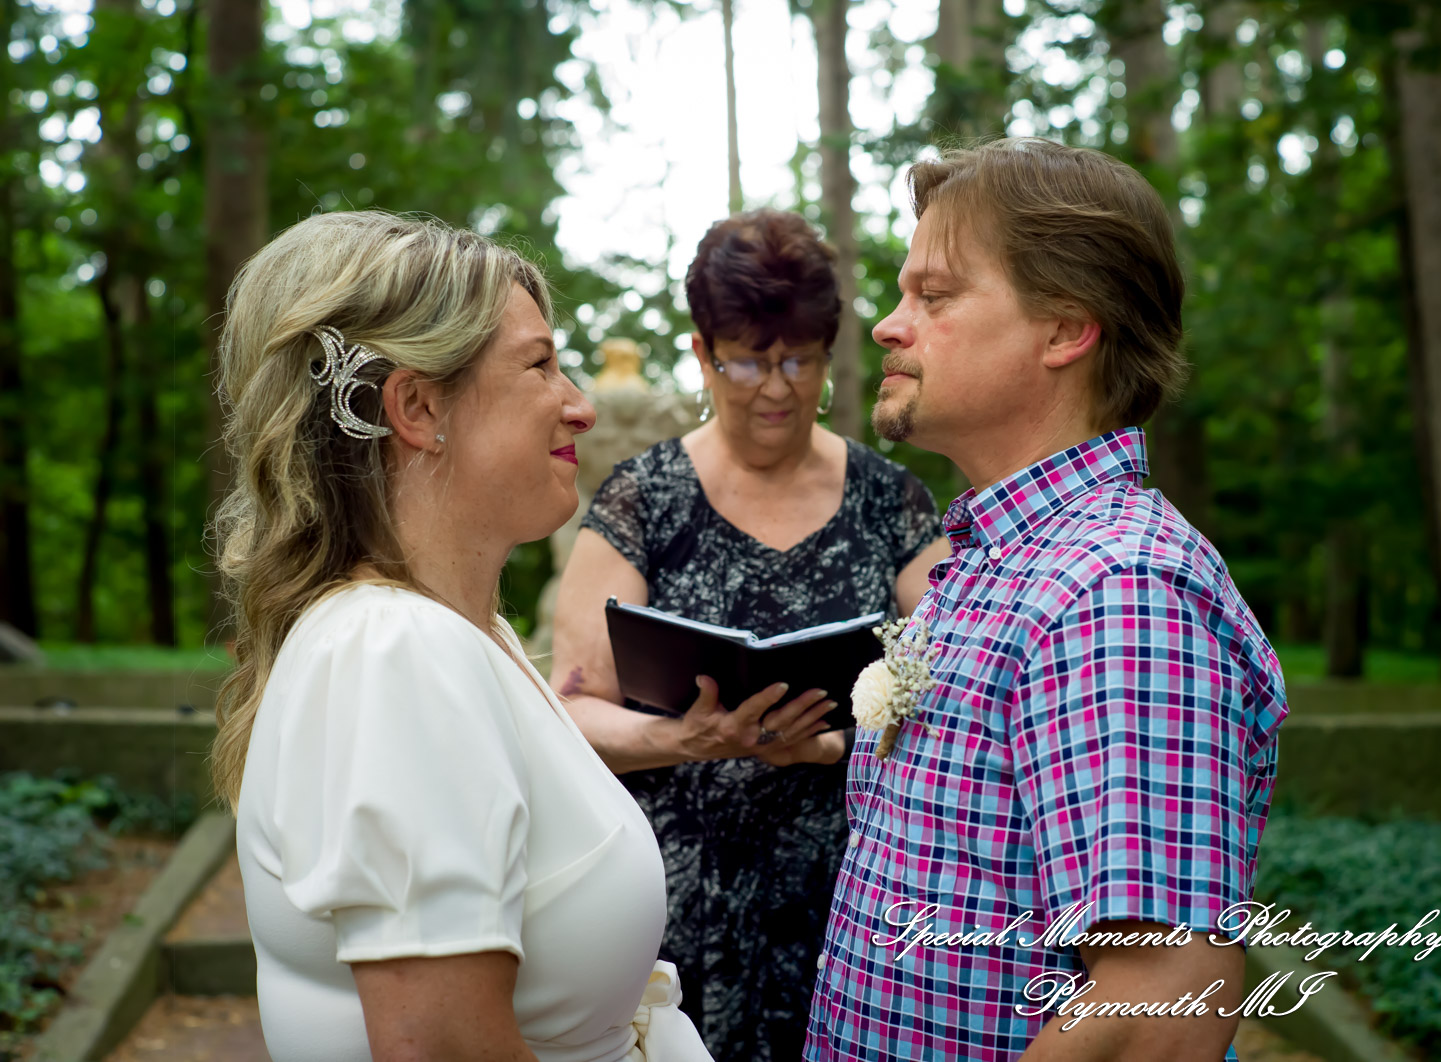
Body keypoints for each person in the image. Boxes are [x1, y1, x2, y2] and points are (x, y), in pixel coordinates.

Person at [804, 139, 1289, 1061]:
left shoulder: (1119, 592)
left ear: (1065, 330)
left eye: (935, 296)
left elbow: (1161, 999)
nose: (889, 326)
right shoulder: (1000, 564)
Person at [212, 211, 710, 1062]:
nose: (581, 407)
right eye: (540, 365)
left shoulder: (458, 634)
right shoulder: (392, 653)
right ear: (417, 406)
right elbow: (441, 1046)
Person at [549, 208, 950, 1061]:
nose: (776, 387)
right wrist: (690, 738)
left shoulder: (891, 502)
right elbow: (572, 712)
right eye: (747, 360)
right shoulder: (644, 499)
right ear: (702, 353)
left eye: (800, 359)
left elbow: (957, 689)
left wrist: (837, 747)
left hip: (853, 899)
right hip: (680, 904)